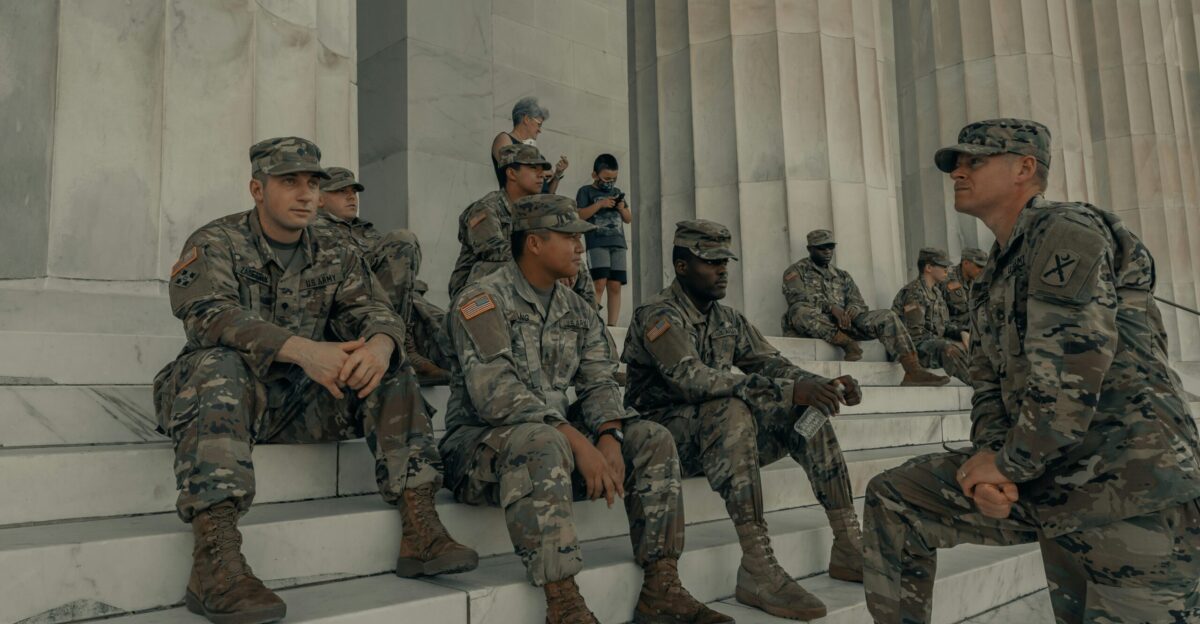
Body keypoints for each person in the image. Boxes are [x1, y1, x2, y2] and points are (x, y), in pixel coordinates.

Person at [862, 119, 1200, 623]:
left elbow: (1072, 370)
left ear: (1025, 168)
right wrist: (989, 467)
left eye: (974, 160)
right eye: (957, 162)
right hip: (1052, 480)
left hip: (1130, 486)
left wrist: (1009, 464)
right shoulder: (991, 276)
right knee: (896, 495)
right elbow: (988, 388)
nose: (957, 170)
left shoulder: (1066, 231)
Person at [153, 138, 476, 624]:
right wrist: (306, 352)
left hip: (303, 402)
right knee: (216, 365)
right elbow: (206, 314)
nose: (305, 194)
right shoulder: (215, 241)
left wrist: (380, 344)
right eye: (290, 182)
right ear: (257, 189)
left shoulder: (336, 249)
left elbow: (374, 310)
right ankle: (214, 558)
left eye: (312, 183)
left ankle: (421, 525)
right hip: (227, 399)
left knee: (385, 363)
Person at [439, 196, 729, 624]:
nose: (581, 247)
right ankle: (564, 604)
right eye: (569, 236)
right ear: (534, 243)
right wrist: (577, 440)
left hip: (554, 447)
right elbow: (495, 394)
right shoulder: (481, 299)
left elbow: (598, 380)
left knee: (650, 437)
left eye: (581, 237)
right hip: (479, 451)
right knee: (543, 440)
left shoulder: (576, 307)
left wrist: (609, 435)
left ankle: (661, 585)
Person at [623, 219, 867, 621]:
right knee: (730, 407)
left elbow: (773, 364)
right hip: (664, 439)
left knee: (809, 411)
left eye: (725, 261)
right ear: (681, 266)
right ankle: (757, 562)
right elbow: (692, 379)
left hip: (719, 441)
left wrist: (824, 384)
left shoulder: (727, 319)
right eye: (711, 262)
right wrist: (787, 390)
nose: (722, 270)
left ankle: (847, 542)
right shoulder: (658, 315)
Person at [316, 166, 448, 384]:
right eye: (341, 191)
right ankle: (401, 348)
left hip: (390, 302)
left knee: (449, 323)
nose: (351, 197)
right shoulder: (312, 230)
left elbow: (396, 273)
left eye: (354, 191)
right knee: (402, 239)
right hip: (352, 307)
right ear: (320, 200)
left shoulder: (367, 231)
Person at [781, 229, 949, 386]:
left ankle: (913, 370)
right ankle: (847, 343)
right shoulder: (796, 271)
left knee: (887, 316)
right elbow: (797, 298)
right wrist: (831, 308)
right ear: (809, 249)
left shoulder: (842, 275)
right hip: (819, 322)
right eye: (821, 248)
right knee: (798, 311)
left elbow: (859, 302)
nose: (827, 251)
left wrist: (854, 308)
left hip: (847, 323)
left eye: (830, 247)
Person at [449, 143, 596, 306]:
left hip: (523, 282)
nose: (542, 175)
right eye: (534, 168)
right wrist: (549, 265)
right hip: (475, 289)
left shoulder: (536, 214)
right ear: (511, 173)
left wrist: (558, 263)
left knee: (576, 264)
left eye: (542, 169)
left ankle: (590, 319)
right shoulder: (486, 208)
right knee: (496, 266)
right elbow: (492, 249)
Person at [890, 248, 970, 384]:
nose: (947, 270)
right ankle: (979, 385)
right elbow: (914, 336)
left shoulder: (936, 292)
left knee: (972, 342)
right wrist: (951, 343)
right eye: (943, 266)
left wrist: (961, 332)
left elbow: (944, 326)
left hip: (928, 345)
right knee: (948, 348)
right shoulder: (914, 292)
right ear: (928, 267)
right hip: (911, 351)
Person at [576, 154, 632, 325]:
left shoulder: (616, 192)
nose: (610, 182)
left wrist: (622, 208)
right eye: (606, 178)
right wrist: (600, 204)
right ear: (595, 175)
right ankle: (593, 322)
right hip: (597, 243)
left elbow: (628, 219)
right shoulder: (586, 191)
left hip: (618, 243)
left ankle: (612, 325)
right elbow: (579, 215)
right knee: (598, 283)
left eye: (614, 179)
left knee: (615, 285)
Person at [491, 96, 569, 193]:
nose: (540, 130)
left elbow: (547, 193)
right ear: (527, 119)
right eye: (539, 124)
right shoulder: (504, 138)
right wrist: (540, 172)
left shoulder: (535, 153)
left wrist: (557, 174)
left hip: (539, 206)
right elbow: (510, 166)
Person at [940, 247, 986, 333]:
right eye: (979, 266)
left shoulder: (977, 279)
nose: (982, 270)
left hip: (973, 327)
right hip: (954, 330)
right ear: (965, 263)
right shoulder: (946, 279)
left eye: (984, 267)